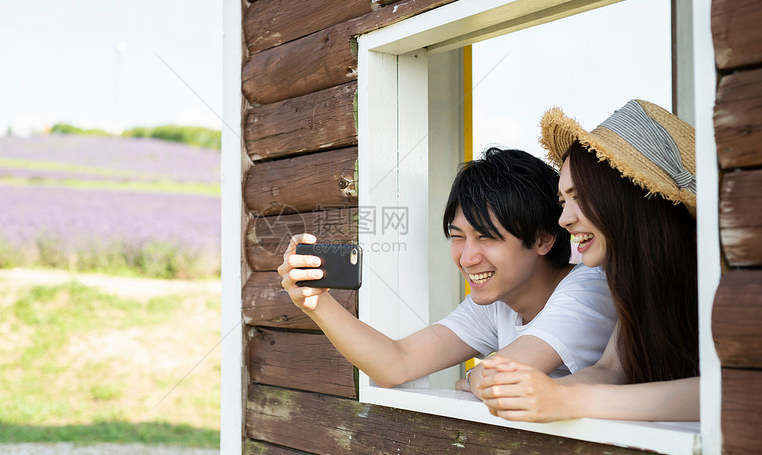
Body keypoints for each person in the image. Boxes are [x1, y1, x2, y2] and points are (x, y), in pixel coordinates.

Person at [278, 147, 616, 391]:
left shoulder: (590, 288)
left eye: (486, 237)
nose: (467, 258)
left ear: (543, 239)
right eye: (458, 237)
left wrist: (473, 376)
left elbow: (498, 378)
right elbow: (397, 363)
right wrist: (315, 303)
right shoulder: (498, 301)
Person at [475, 100, 700, 422]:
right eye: (563, 201)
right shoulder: (636, 281)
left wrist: (568, 400)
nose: (564, 219)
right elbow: (611, 369)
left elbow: (735, 392)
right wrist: (539, 392)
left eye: (580, 197)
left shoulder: (726, 279)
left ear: (632, 195)